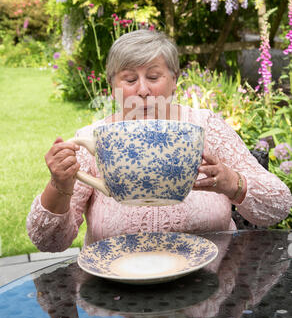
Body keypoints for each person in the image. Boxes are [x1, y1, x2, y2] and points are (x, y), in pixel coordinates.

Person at [27, 29, 292, 252]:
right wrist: (59, 185)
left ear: (174, 81)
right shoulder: (94, 139)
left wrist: (233, 184)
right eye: (129, 79)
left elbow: (279, 205)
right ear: (112, 86)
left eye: (153, 77)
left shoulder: (206, 127)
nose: (142, 90)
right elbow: (49, 242)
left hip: (209, 287)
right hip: (118, 293)